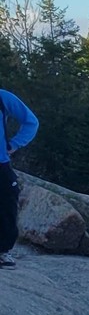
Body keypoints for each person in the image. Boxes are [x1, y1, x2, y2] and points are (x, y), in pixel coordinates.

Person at [0, 87, 37, 269]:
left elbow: (31, 122)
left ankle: (3, 251)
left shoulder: (2, 97)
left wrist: (14, 143)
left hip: (0, 163)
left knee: (7, 204)